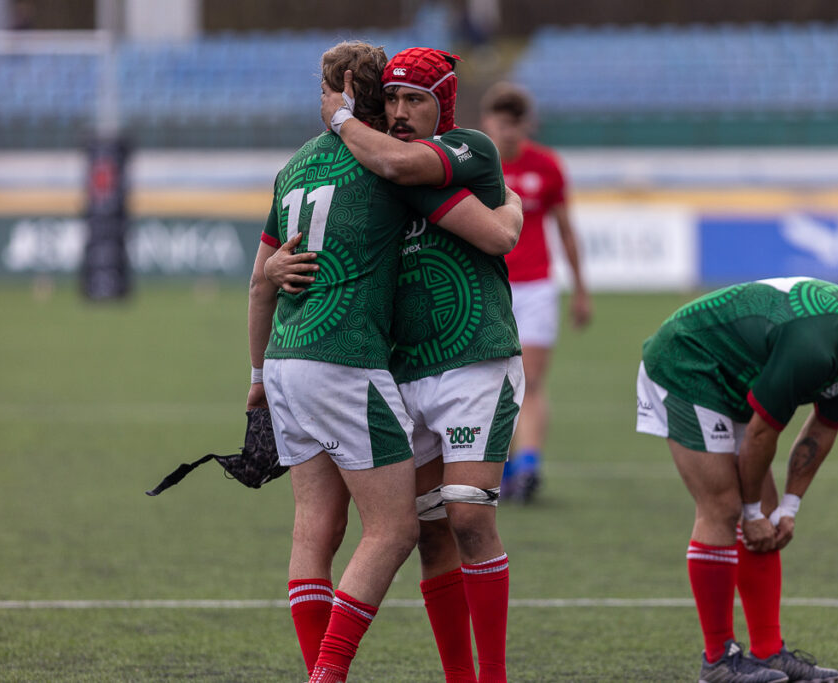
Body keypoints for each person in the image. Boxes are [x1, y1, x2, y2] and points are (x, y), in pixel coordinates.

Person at [246, 41, 522, 683]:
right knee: (415, 530)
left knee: (463, 516)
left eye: (414, 99)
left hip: (468, 357)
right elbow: (499, 227)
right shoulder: (377, 168)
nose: (400, 111)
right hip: (390, 369)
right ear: (374, 96)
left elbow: (498, 235)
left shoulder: (456, 151)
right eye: (392, 98)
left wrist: (258, 364)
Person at [635, 277, 838, 683]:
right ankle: (718, 661)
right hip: (687, 362)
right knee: (723, 509)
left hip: (734, 377)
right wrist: (750, 513)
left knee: (764, 512)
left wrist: (788, 508)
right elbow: (763, 433)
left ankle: (768, 652)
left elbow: (823, 429)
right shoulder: (814, 347)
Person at [479, 81, 592, 502]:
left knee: (530, 381)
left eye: (516, 123)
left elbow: (565, 230)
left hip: (537, 288)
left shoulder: (546, 166)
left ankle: (528, 466)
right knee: (491, 381)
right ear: (488, 122)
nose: (508, 132)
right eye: (501, 122)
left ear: (528, 124)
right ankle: (501, 466)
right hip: (488, 286)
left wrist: (581, 290)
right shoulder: (473, 164)